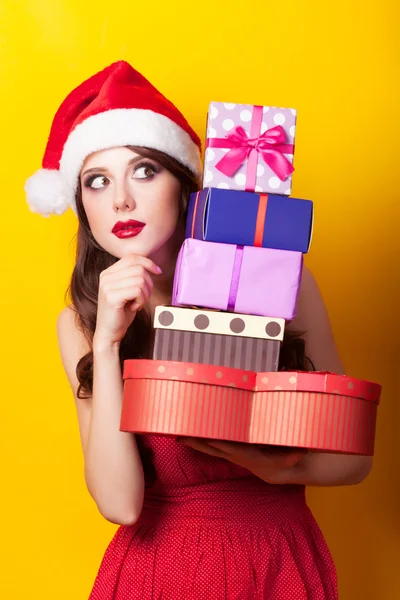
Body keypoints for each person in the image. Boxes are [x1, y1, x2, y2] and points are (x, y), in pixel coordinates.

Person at [25, 61, 372, 600]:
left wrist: (275, 471)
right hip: (159, 571)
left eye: (143, 171)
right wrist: (108, 343)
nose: (121, 200)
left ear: (184, 186)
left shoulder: (280, 279)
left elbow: (355, 460)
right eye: (97, 181)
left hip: (275, 560)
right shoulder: (82, 322)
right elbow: (121, 504)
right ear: (81, 207)